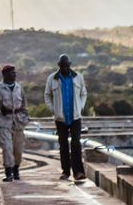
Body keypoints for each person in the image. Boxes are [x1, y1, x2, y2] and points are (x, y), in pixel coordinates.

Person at [43, 53, 88, 181]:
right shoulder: (52, 78)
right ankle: (66, 172)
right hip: (60, 118)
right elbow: (47, 95)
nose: (65, 68)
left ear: (70, 65)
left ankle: (78, 172)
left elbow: (84, 93)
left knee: (75, 144)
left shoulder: (78, 77)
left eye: (67, 66)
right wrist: (54, 110)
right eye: (62, 66)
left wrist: (81, 107)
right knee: (63, 145)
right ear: (59, 66)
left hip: (75, 117)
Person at [0, 64, 28, 182]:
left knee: (18, 149)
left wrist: (25, 117)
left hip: (18, 122)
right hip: (5, 121)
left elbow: (24, 104)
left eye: (15, 73)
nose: (14, 75)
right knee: (7, 148)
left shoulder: (19, 88)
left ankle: (16, 169)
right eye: (12, 73)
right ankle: (8, 171)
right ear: (5, 74)